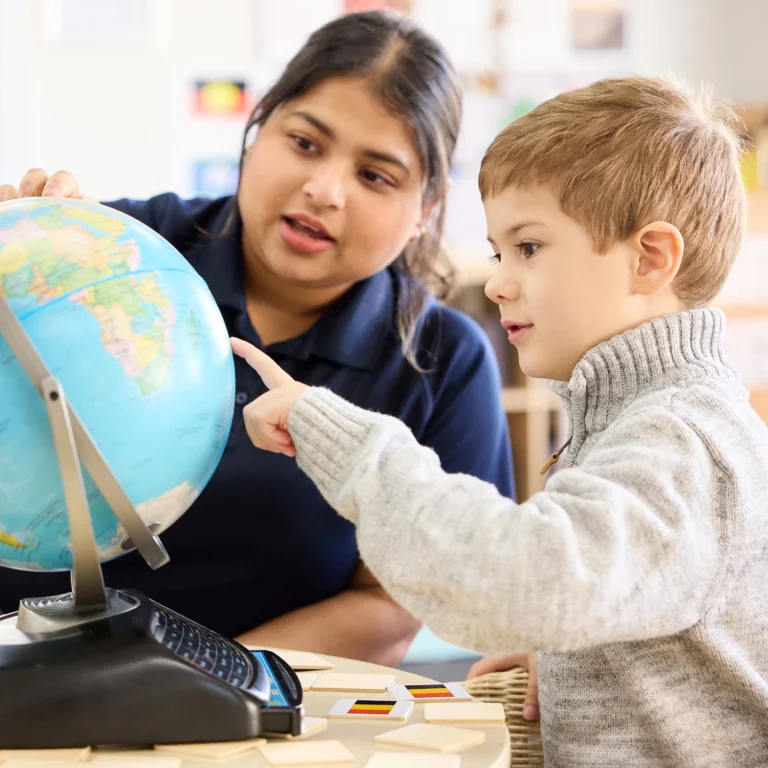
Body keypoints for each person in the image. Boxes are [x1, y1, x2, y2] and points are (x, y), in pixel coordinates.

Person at [231, 75, 768, 767]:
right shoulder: (646, 416)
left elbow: (518, 577)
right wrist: (576, 645)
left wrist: (345, 440)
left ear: (650, 259)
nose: (496, 281)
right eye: (497, 251)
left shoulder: (682, 439)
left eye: (530, 247)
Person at [0, 10, 514, 665]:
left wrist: (195, 684)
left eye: (375, 176)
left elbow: (394, 607)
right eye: (304, 142)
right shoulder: (115, 260)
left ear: (427, 211)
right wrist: (18, 249)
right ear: (259, 125)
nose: (323, 190)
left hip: (257, 722)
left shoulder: (441, 363)